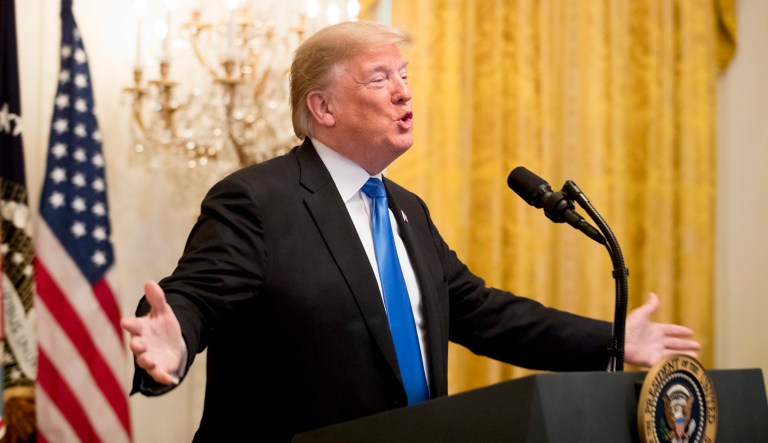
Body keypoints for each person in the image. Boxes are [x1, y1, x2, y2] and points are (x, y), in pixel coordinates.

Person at [121, 20, 700, 442]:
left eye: (403, 75)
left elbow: (483, 312)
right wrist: (173, 340)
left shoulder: (407, 210)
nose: (404, 91)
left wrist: (614, 341)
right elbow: (195, 298)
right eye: (379, 79)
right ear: (322, 108)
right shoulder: (256, 200)